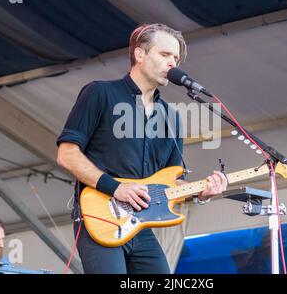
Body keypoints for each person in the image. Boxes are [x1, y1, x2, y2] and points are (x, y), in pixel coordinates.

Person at [56, 23, 227, 274]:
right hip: (100, 217)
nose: (173, 63)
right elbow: (67, 154)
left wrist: (200, 192)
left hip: (141, 225)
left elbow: (171, 182)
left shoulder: (171, 117)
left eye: (176, 58)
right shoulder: (100, 93)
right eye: (165, 54)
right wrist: (117, 188)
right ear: (139, 54)